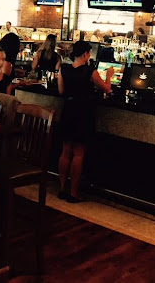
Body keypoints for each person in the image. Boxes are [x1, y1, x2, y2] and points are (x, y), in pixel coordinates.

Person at [57, 40, 113, 203]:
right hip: (83, 113)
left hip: (68, 110)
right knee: (79, 153)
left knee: (65, 150)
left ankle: (62, 189)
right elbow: (106, 88)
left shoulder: (63, 69)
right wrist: (109, 76)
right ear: (85, 54)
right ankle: (73, 193)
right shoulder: (90, 71)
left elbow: (61, 90)